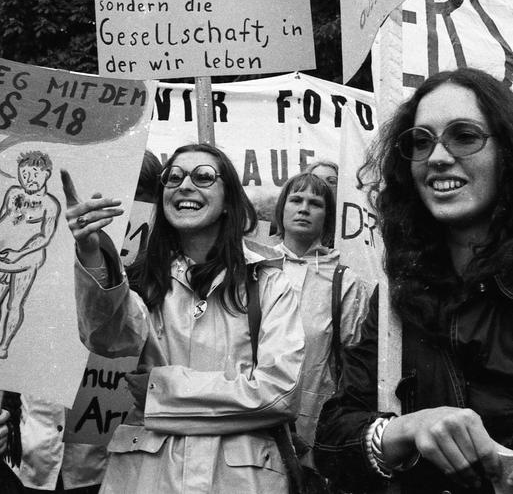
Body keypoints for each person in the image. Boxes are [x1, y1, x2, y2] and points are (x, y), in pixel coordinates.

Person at [61, 142, 305, 493]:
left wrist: (161, 393)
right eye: (173, 177)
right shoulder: (145, 281)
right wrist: (90, 251)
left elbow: (280, 392)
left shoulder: (269, 284)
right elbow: (104, 338)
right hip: (147, 477)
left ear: (229, 201)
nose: (184, 185)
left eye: (203, 176)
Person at [314, 67, 513, 494]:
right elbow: (333, 440)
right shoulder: (394, 297)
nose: (438, 156)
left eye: (464, 135)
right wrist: (404, 430)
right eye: (421, 142)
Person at [274, 172, 368, 452]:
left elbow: (355, 360)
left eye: (315, 203)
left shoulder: (345, 280)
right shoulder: (255, 266)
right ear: (282, 210)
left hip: (316, 422)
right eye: (296, 200)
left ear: (328, 217)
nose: (304, 208)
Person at [0, 150, 61, 358]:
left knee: (14, 304)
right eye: (24, 174)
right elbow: (2, 218)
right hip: (2, 256)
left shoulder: (50, 205)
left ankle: (4, 345)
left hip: (26, 261)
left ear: (46, 174)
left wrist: (19, 253)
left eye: (34, 174)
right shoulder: (13, 193)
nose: (29, 179)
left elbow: (45, 237)